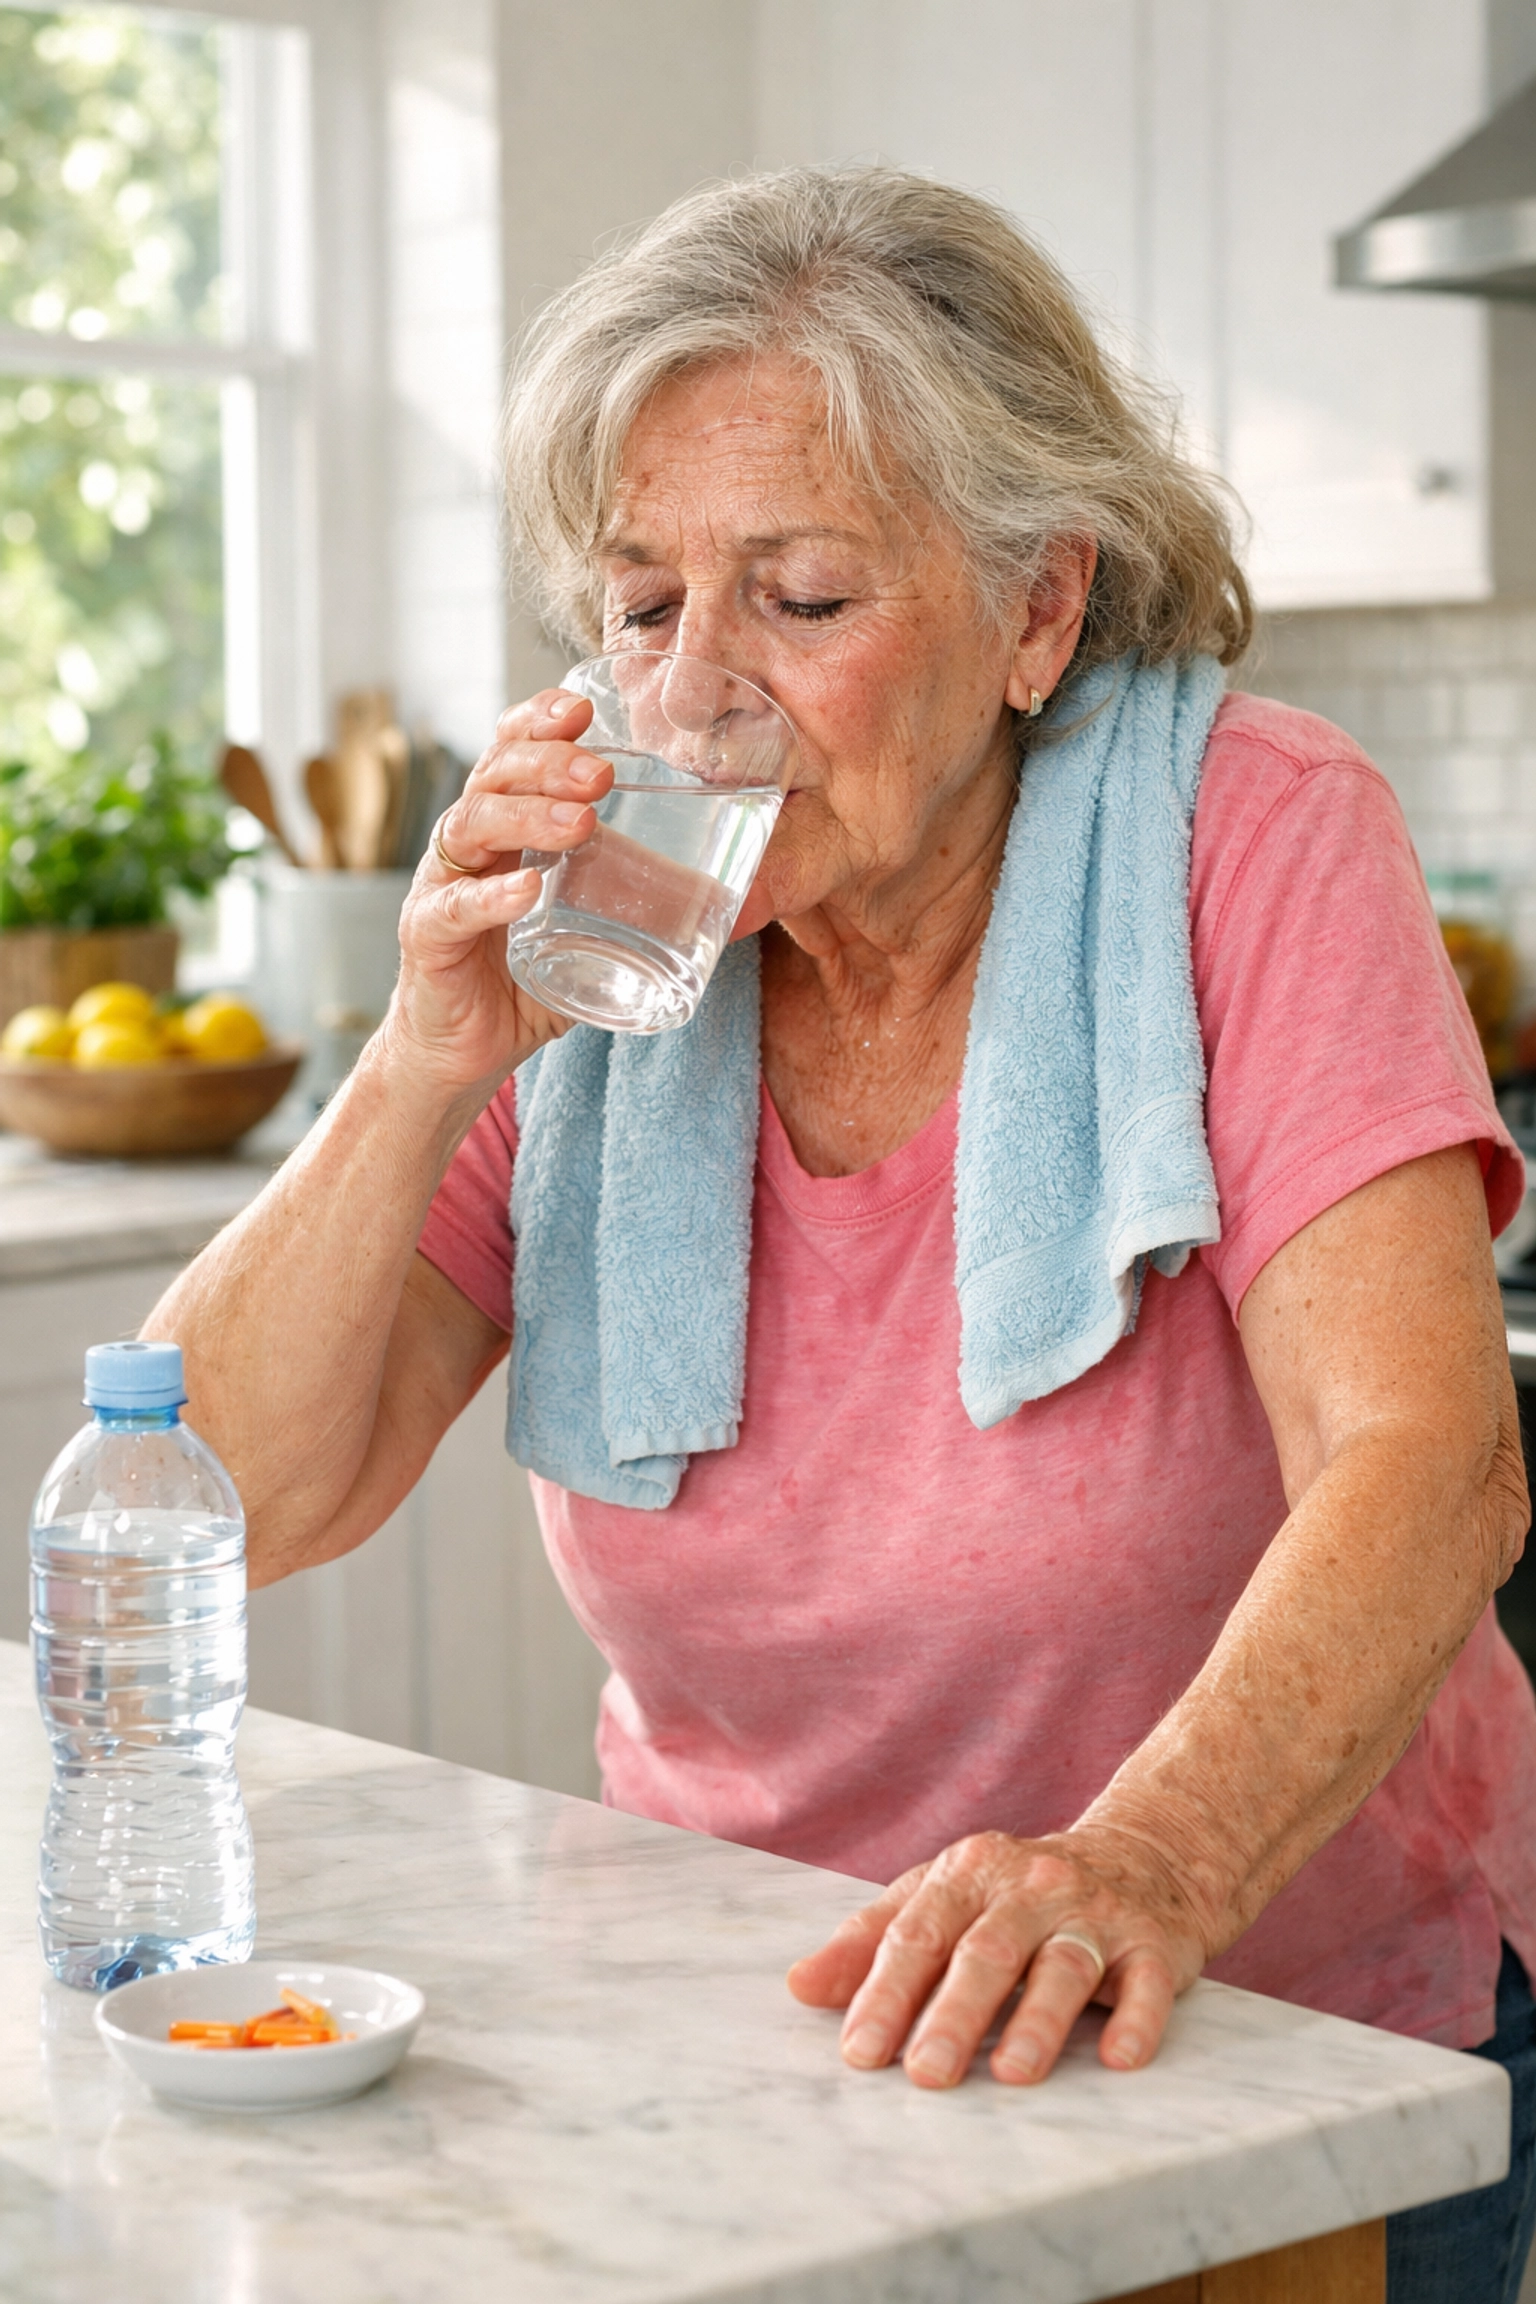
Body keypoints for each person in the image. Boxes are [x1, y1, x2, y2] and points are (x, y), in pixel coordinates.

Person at [150, 168, 1536, 2300]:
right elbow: (213, 1506)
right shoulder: (601, 944)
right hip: (754, 2044)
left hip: (1263, 2043)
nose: (692, 695)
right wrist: (422, 1061)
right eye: (638, 606)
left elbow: (1430, 1463)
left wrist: (1135, 1866)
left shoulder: (1250, 832)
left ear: (1039, 610)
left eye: (799, 597)